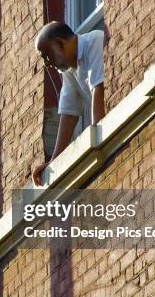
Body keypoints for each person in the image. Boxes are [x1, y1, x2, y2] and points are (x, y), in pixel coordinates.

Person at [32, 22, 105, 186]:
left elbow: (98, 88)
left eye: (46, 55)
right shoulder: (69, 69)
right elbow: (69, 113)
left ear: (59, 44)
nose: (47, 64)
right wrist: (53, 162)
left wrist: (99, 139)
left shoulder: (94, 41)